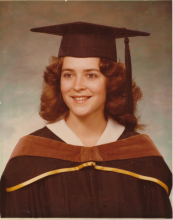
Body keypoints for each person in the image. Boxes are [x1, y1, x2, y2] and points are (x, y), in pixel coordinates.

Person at [0, 22, 172, 218]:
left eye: (91, 75)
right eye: (68, 75)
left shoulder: (142, 155)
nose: (77, 86)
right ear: (58, 82)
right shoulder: (29, 157)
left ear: (111, 82)